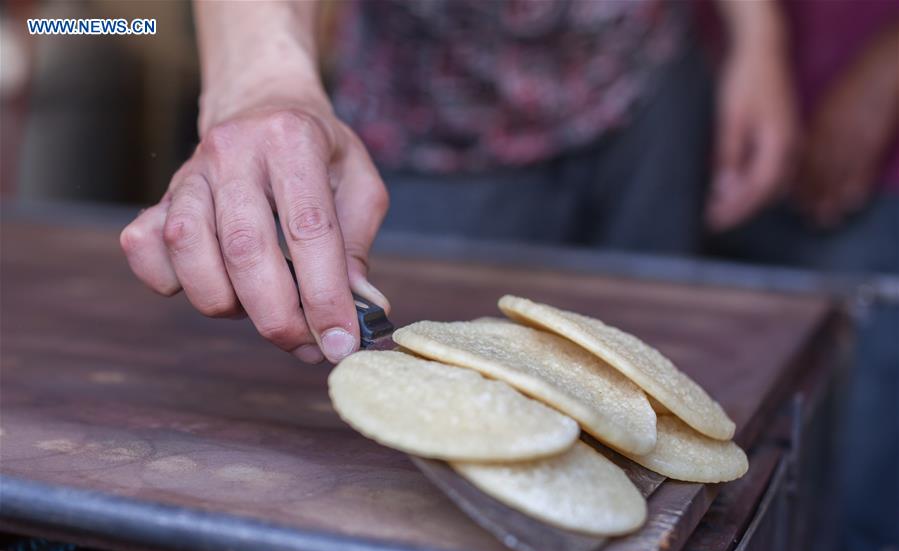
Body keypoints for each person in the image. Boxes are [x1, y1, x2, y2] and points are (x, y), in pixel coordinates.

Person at [119, 0, 796, 364]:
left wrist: (757, 34)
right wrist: (260, 79)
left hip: (647, 89)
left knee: (648, 376)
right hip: (433, 123)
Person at [712, 3, 899, 551]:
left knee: (841, 493)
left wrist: (887, 70)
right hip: (707, 104)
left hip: (871, 165)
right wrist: (757, 47)